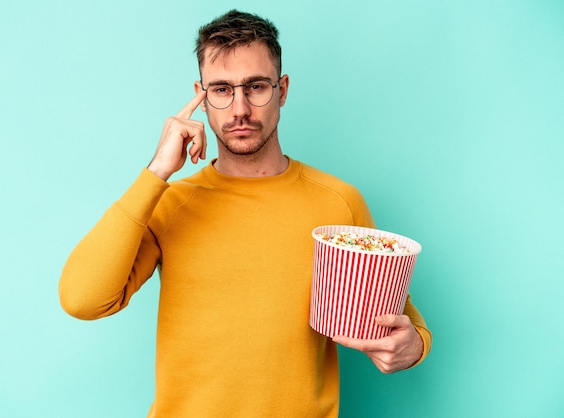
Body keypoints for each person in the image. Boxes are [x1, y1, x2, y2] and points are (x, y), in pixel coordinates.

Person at [59, 9, 431, 417]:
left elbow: (397, 312)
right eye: (221, 90)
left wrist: (414, 345)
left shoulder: (339, 202)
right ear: (200, 96)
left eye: (255, 86)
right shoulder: (169, 202)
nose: (239, 108)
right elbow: (82, 300)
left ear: (282, 89)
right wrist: (157, 171)